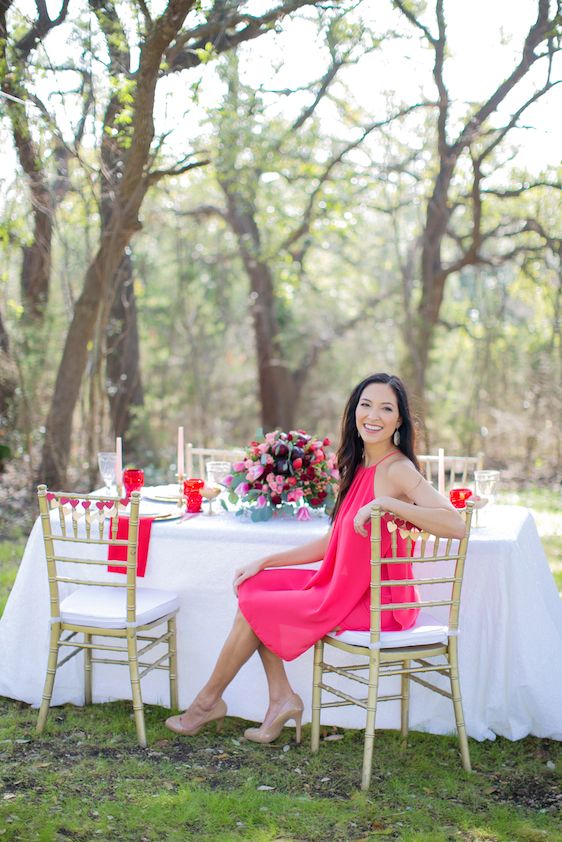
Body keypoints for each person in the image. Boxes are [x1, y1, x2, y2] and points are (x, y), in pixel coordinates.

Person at [165, 373, 466, 742]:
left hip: (380, 603)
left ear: (399, 420)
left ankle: (208, 703)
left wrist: (384, 504)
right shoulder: (359, 467)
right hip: (342, 585)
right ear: (354, 411)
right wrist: (268, 560)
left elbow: (456, 524)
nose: (374, 415)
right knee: (256, 586)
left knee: (259, 606)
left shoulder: (397, 469)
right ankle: (279, 699)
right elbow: (332, 543)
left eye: (386, 408)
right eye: (366, 404)